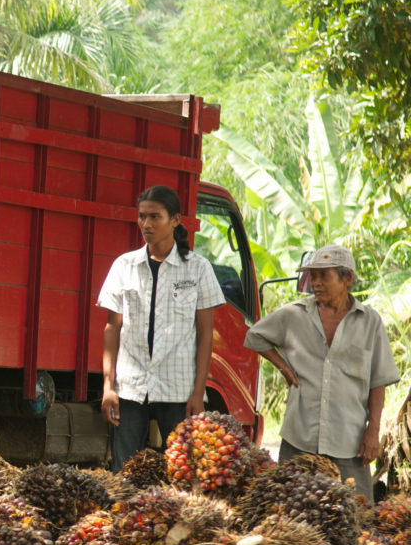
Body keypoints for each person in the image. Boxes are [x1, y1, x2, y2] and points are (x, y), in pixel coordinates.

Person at [244, 244, 398, 502]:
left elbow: (378, 381)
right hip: (300, 436)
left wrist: (373, 432)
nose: (315, 283)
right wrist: (283, 367)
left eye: (323, 276)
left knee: (356, 516)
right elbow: (255, 336)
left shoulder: (370, 322)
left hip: (349, 441)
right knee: (288, 510)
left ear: (346, 278)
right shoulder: (294, 314)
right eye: (312, 276)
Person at [98, 185, 225, 471]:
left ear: (176, 220)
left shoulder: (198, 269)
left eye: (155, 217)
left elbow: (206, 336)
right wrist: (108, 386)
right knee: (125, 471)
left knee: (181, 471)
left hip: (178, 390)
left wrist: (197, 392)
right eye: (142, 217)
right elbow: (112, 327)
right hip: (130, 388)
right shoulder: (124, 266)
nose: (146, 224)